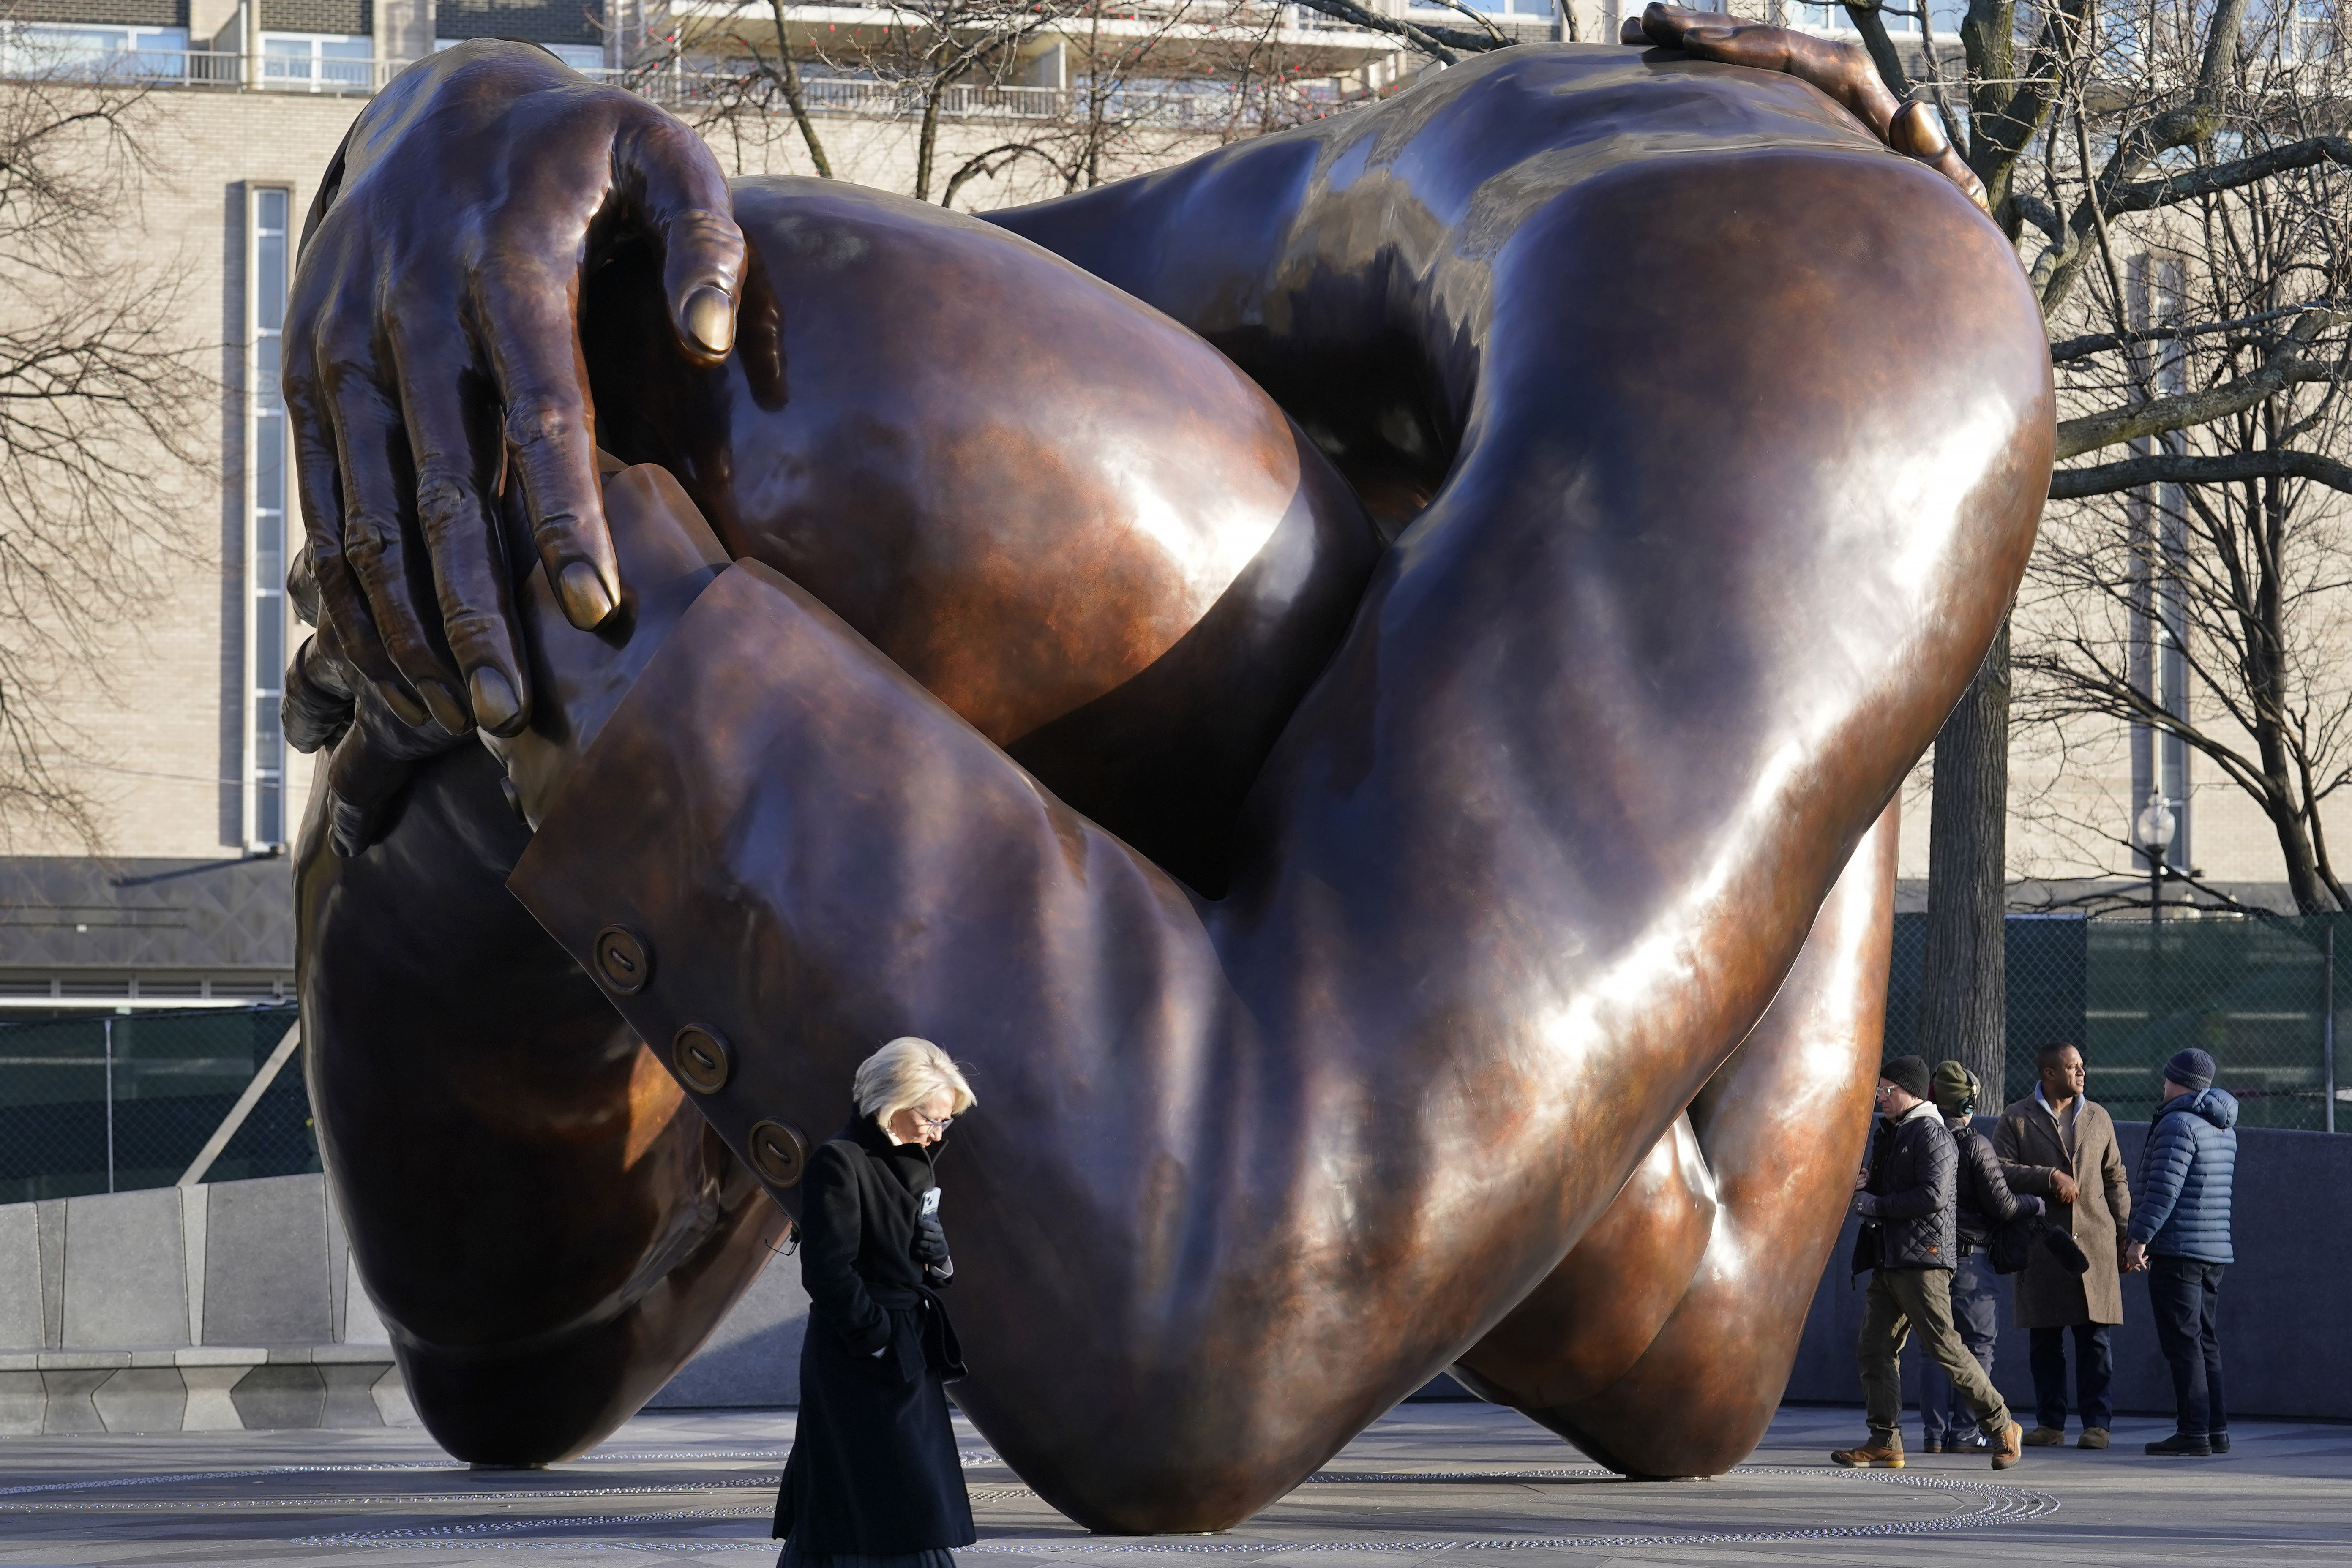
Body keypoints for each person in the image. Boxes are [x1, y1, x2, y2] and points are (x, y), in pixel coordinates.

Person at [278, 12, 2055, 1521]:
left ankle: (520, 631)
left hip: (1798, 308)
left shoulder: (1778, 297)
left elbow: (1261, 1300)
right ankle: (530, 621)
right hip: (1783, 307)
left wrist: (441, 151)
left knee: (1660, 1318)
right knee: (753, 389)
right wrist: (434, 154)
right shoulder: (1777, 280)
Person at [775, 1036, 980, 1567]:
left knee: (868, 1491)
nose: (937, 1133)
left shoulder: (913, 1157)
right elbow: (826, 1270)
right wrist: (876, 1342)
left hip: (904, 1345)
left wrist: (940, 1259)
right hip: (858, 1355)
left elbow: (906, 1260)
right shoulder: (839, 1161)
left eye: (946, 1122)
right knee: (893, 1490)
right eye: (931, 1118)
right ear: (892, 1102)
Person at [1831, 1055, 2023, 1471]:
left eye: (1888, 1091)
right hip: (1891, 1258)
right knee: (1874, 1348)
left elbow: (1932, 1196)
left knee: (1945, 1347)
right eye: (1879, 1090)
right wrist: (1867, 1184)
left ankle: (2002, 1425)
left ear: (1911, 1093)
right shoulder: (1894, 1132)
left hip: (1922, 1261)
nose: (1881, 1098)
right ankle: (1884, 1440)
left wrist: (1876, 1203)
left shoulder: (1930, 1133)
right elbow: (1897, 1186)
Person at [1994, 1040, 2132, 1450]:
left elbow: (2115, 1177)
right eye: (2073, 1067)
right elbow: (1997, 1170)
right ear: (2049, 1074)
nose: (2082, 1072)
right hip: (2042, 1248)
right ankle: (2050, 1424)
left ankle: (2097, 1425)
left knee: (2095, 1340)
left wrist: (2127, 1235)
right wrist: (2048, 1177)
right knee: (2045, 1341)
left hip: (2095, 1244)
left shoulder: (2098, 1117)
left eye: (2082, 1066)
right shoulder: (2016, 1118)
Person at [1917, 1060, 2041, 1454]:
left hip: (1928, 1259)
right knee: (1978, 1344)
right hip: (1972, 1260)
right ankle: (1968, 1430)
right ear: (1968, 1103)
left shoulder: (1920, 1139)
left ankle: (1933, 1434)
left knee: (1934, 1345)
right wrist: (2035, 1204)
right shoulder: (1974, 1144)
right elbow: (2002, 1205)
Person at [2126, 1047, 2239, 1458]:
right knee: (2205, 1341)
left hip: (2178, 1250)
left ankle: (2193, 1432)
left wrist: (2138, 1239)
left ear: (2175, 1080)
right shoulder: (2222, 1126)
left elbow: (2162, 1190)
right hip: (2213, 1251)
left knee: (2183, 1345)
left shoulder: (2177, 1123)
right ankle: (2216, 1430)